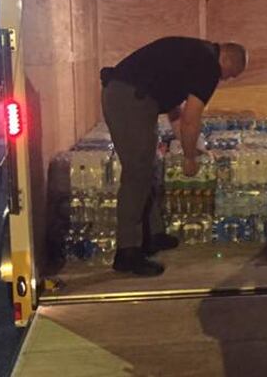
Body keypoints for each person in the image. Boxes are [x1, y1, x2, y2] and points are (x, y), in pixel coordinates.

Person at [100, 37, 248, 276]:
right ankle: (127, 252)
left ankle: (152, 235)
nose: (225, 79)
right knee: (137, 173)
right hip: (129, 100)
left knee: (150, 166)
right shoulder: (208, 66)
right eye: (230, 74)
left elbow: (176, 113)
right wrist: (189, 158)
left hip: (131, 97)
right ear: (227, 59)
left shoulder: (194, 55)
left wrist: (191, 146)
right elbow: (191, 119)